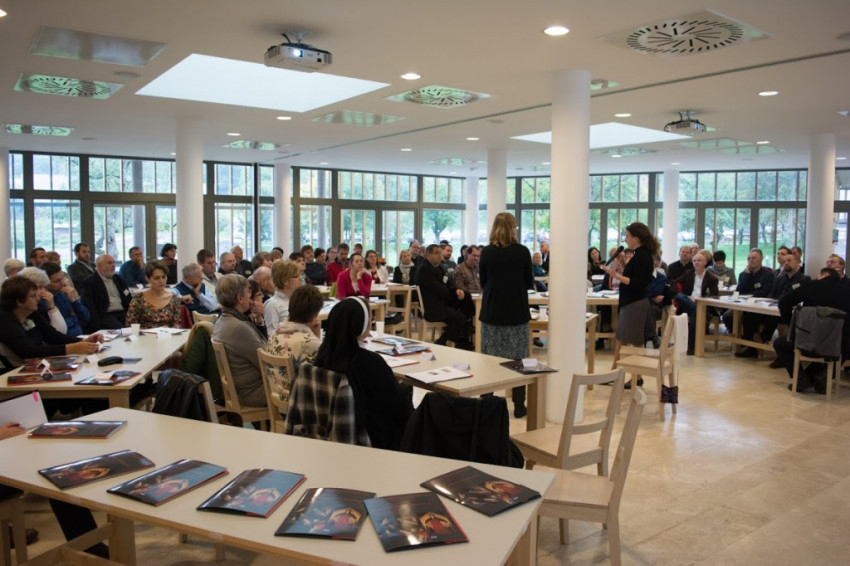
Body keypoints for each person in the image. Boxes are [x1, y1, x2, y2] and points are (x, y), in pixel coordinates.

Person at [314, 297, 413, 450]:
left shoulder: (323, 354)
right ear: (360, 326)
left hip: (329, 430)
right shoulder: (369, 362)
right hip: (370, 434)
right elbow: (396, 405)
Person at [479, 212, 534, 417]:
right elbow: (528, 281)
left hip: (492, 310)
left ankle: (486, 402)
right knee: (519, 360)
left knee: (489, 360)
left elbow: (483, 281)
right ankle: (519, 405)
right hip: (516, 311)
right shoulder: (522, 251)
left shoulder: (487, 252)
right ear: (513, 228)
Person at [773, 268, 850, 393]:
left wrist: (793, 327)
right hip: (836, 346)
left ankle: (801, 378)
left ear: (824, 274)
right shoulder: (846, 292)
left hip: (807, 342)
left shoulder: (812, 286)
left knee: (779, 344)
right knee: (845, 344)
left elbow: (783, 303)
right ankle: (825, 375)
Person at [0, 276, 101, 370]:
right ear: (19, 302)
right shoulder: (4, 320)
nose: (38, 298)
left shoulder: (31, 312)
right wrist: (71, 348)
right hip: (10, 370)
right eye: (33, 296)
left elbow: (52, 335)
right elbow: (28, 351)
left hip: (32, 365)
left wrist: (82, 341)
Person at [600, 222, 658, 365]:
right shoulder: (640, 254)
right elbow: (631, 274)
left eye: (627, 236)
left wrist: (615, 275)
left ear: (636, 238)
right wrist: (621, 263)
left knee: (632, 340)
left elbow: (635, 282)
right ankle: (622, 371)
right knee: (624, 338)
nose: (625, 240)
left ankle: (628, 372)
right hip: (631, 302)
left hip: (634, 302)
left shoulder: (642, 255)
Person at [266, 285, 324, 414]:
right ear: (313, 317)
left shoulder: (274, 335)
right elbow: (324, 368)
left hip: (279, 402)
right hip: (299, 408)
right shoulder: (308, 341)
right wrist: (316, 336)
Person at [211, 274, 267, 408]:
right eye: (248, 292)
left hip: (243, 388)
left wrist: (259, 319)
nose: (250, 296)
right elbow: (266, 360)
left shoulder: (223, 319)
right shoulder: (238, 327)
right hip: (254, 391)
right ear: (240, 298)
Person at [415, 244, 475, 349]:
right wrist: (453, 294)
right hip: (433, 307)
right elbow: (437, 289)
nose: (440, 255)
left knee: (466, 296)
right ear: (428, 255)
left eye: (440, 253)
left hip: (443, 301)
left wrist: (456, 290)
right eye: (436, 253)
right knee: (459, 318)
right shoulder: (424, 269)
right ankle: (444, 341)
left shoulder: (439, 267)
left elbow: (448, 281)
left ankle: (464, 332)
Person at [672, 249, 719, 354]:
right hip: (687, 303)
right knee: (680, 296)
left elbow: (714, 295)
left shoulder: (712, 278)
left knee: (695, 314)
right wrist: (680, 293)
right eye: (694, 261)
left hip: (702, 304)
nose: (696, 262)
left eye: (699, 260)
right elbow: (674, 283)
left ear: (705, 262)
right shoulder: (688, 274)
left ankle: (691, 347)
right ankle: (692, 346)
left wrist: (701, 300)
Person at [731, 248, 775, 357]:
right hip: (745, 306)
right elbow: (739, 292)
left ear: (761, 259)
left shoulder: (768, 275)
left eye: (754, 258)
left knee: (750, 317)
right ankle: (746, 343)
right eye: (749, 258)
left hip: (762, 307)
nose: (751, 260)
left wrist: (750, 295)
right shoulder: (743, 274)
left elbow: (765, 292)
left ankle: (755, 343)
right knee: (729, 316)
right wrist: (747, 276)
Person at [80, 254, 132, 331]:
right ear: (100, 266)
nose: (113, 265)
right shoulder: (90, 283)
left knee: (138, 325)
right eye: (109, 263)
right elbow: (90, 306)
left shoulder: (119, 279)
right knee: (122, 329)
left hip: (123, 312)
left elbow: (128, 298)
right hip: (105, 314)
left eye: (114, 262)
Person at [125, 262, 183, 329]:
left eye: (164, 277)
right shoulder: (138, 299)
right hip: (144, 334)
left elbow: (177, 323)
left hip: (168, 334)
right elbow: (130, 324)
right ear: (147, 278)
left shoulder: (174, 298)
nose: (161, 281)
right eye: (157, 278)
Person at [43, 261, 90, 337]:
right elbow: (58, 328)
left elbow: (85, 318)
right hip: (65, 338)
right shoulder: (44, 300)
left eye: (62, 278)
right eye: (57, 281)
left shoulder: (64, 294)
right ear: (45, 283)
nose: (63, 283)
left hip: (79, 335)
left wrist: (74, 301)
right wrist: (74, 318)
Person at [18, 267, 67, 333]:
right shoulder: (23, 310)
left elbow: (60, 331)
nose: (44, 291)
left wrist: (51, 307)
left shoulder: (39, 307)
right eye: (40, 287)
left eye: (44, 287)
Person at [264, 259, 301, 335]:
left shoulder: (296, 301)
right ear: (285, 281)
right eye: (296, 276)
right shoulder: (272, 304)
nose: (300, 279)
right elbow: (271, 334)